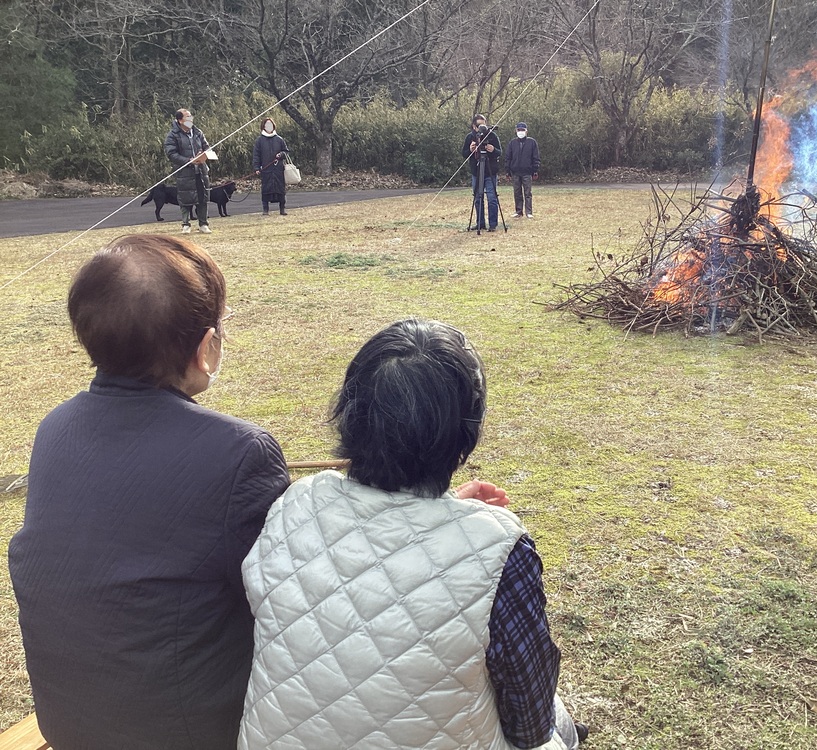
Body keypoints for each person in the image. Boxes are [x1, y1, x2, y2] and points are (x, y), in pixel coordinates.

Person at [240, 318, 587, 750]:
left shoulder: (294, 503)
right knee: (559, 727)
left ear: (348, 414)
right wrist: (463, 531)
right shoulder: (501, 551)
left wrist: (452, 519)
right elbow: (529, 723)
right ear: (467, 431)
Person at [8, 234, 290, 750]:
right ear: (206, 348)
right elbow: (286, 599)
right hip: (184, 732)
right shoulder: (239, 452)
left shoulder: (55, 428)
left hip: (70, 720)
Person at [164, 108, 213, 234]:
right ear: (180, 120)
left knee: (203, 197)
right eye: (187, 117)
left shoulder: (198, 132)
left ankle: (203, 223)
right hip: (184, 172)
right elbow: (171, 154)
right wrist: (188, 160)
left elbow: (207, 147)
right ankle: (186, 224)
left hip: (201, 170)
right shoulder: (173, 135)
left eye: (191, 116)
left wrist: (204, 154)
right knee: (185, 197)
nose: (191, 119)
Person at [463, 113, 502, 231]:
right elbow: (464, 154)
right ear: (474, 127)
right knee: (478, 198)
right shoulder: (470, 137)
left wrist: (493, 149)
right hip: (477, 172)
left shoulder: (492, 136)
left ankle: (493, 224)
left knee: (492, 197)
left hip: (490, 172)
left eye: (484, 125)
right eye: (479, 125)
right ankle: (480, 223)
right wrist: (470, 150)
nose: (482, 128)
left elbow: (499, 152)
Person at [253, 117, 290, 216]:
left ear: (273, 125)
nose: (269, 126)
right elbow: (256, 155)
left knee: (281, 189)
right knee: (266, 190)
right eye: (267, 124)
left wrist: (281, 155)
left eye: (270, 124)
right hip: (266, 169)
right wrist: (257, 167)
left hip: (278, 169)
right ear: (263, 126)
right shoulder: (259, 140)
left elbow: (286, 152)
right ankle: (265, 210)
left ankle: (282, 209)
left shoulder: (279, 139)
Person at [506, 122, 540, 219]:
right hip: (515, 172)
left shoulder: (532, 142)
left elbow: (536, 157)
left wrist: (535, 170)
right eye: (519, 130)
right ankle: (518, 211)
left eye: (522, 130)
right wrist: (508, 171)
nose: (520, 132)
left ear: (526, 131)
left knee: (527, 193)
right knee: (517, 192)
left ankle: (529, 212)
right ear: (516, 131)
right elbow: (508, 157)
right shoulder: (512, 143)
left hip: (527, 172)